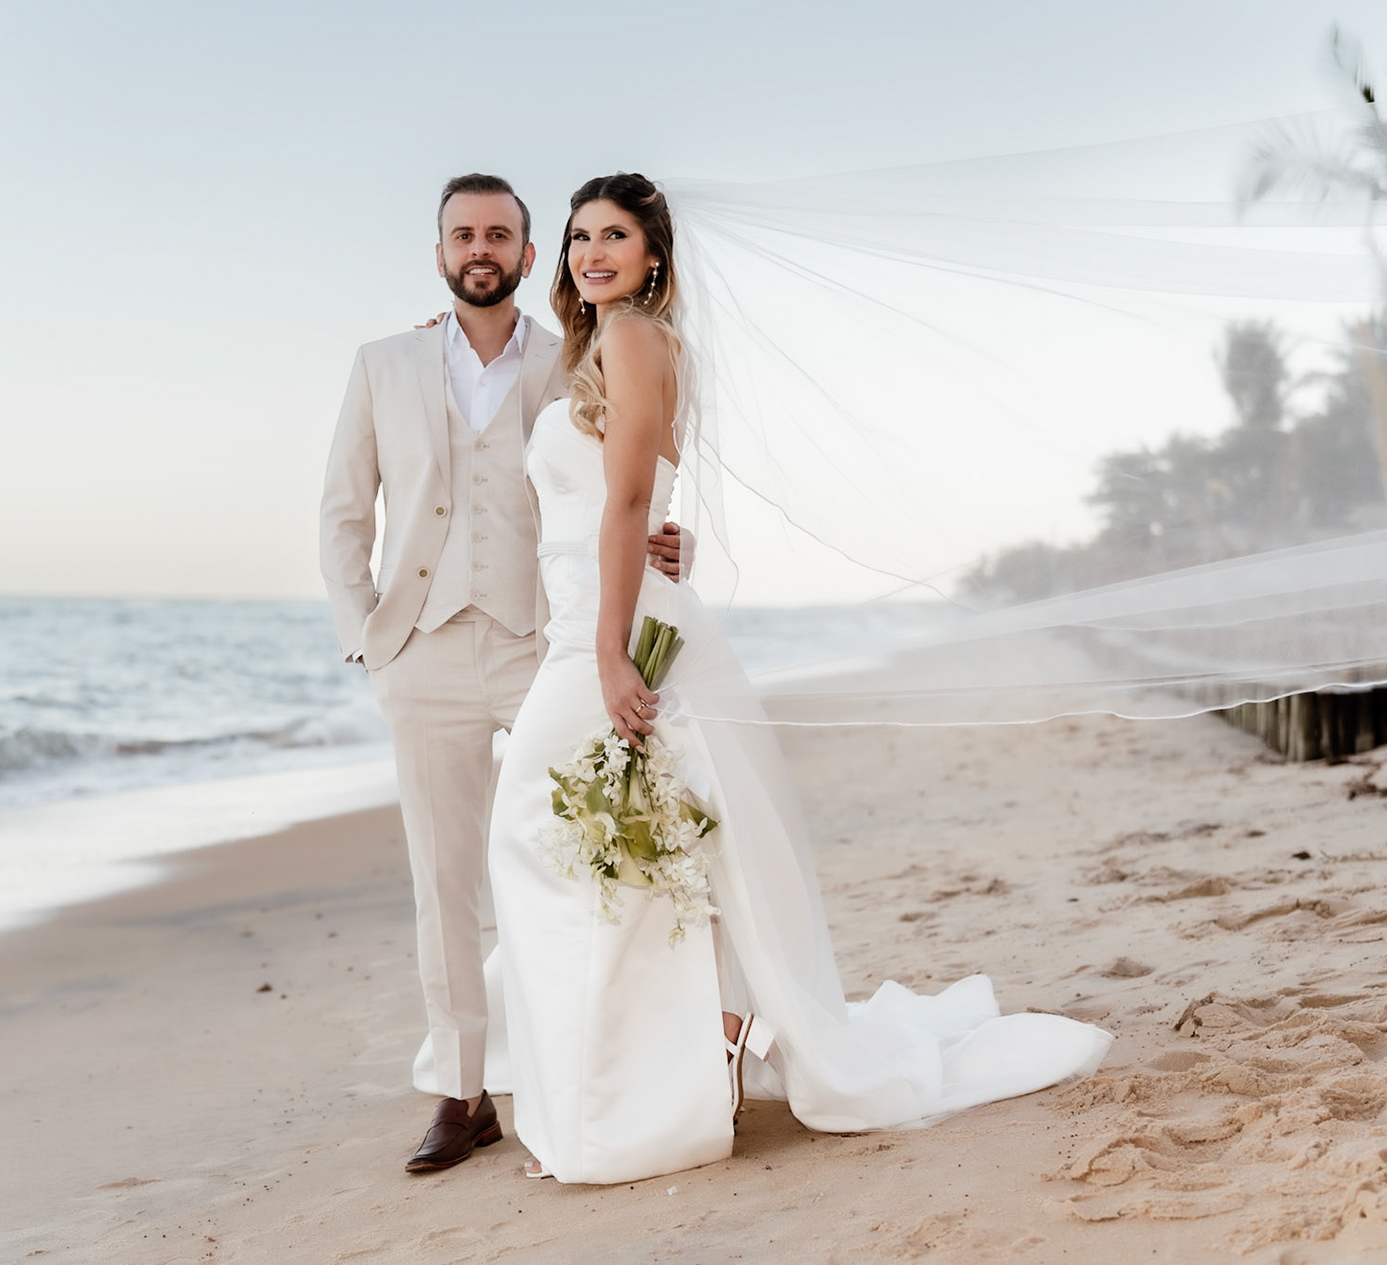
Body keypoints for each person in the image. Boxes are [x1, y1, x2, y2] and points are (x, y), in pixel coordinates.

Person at [488, 173, 1115, 1185]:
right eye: (577, 238)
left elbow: (626, 500)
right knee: (621, 848)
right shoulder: (600, 351)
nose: (592, 253)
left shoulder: (637, 337)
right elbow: (618, 504)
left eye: (614, 235)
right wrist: (641, 565)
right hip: (601, 608)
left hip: (609, 629)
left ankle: (684, 1057)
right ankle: (689, 1049)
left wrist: (609, 651)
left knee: (549, 835)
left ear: (655, 257)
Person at [317, 174, 684, 1175]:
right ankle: (463, 1089)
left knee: (565, 859)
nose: (481, 246)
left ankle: (584, 1062)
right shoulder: (381, 363)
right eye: (462, 232)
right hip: (421, 653)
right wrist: (367, 635)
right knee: (445, 878)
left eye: (502, 234)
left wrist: (658, 538)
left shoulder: (575, 356)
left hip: (540, 647)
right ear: (439, 250)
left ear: (530, 256)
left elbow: (615, 480)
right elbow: (344, 512)